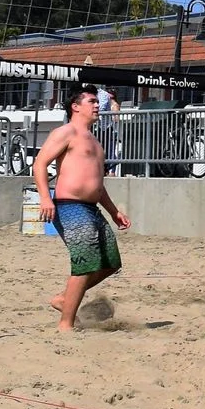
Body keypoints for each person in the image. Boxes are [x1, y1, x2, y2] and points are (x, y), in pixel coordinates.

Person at [32, 85, 130, 331]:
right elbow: (40, 164)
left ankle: (65, 300)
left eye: (97, 102)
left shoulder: (95, 142)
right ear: (76, 107)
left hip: (92, 208)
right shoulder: (65, 132)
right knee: (85, 263)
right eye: (91, 101)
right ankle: (65, 324)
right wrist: (45, 197)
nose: (97, 105)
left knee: (110, 263)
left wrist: (113, 211)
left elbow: (98, 184)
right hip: (69, 206)